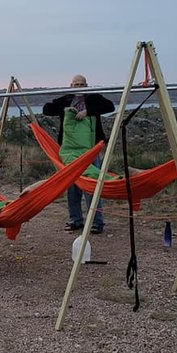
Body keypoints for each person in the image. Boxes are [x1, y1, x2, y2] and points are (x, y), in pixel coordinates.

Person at [42, 74, 114, 234]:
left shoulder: (94, 98)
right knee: (72, 186)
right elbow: (46, 109)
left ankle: (97, 222)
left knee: (91, 183)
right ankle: (76, 220)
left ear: (86, 85)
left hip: (91, 149)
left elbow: (110, 107)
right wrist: (66, 110)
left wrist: (87, 112)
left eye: (82, 85)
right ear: (71, 85)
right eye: (76, 84)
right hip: (70, 151)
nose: (79, 87)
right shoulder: (66, 99)